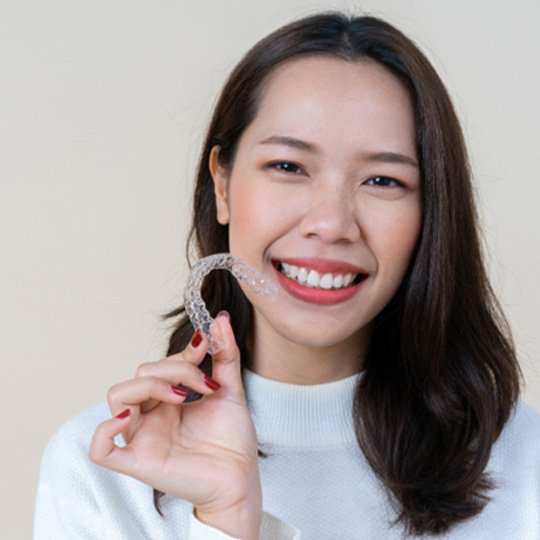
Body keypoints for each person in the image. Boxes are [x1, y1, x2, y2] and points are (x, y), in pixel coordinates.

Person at [34, 12, 540, 540]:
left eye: (383, 180)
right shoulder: (105, 466)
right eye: (289, 167)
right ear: (223, 186)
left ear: (430, 212)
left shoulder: (524, 464)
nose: (331, 224)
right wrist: (227, 522)